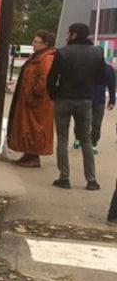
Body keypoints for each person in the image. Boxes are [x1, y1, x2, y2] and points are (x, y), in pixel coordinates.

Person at [46, 22, 106, 191]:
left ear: (73, 35)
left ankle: (64, 178)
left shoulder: (62, 52)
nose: (66, 36)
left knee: (63, 138)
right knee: (86, 139)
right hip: (85, 100)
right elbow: (101, 78)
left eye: (68, 33)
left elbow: (51, 79)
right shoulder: (97, 52)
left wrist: (54, 95)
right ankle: (91, 180)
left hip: (64, 99)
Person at [6, 30, 57, 168]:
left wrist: (34, 94)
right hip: (29, 99)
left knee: (34, 128)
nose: (33, 44)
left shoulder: (46, 58)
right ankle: (28, 154)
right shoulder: (38, 57)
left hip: (36, 101)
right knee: (26, 127)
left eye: (36, 42)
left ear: (45, 44)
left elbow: (44, 79)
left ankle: (33, 156)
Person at [73, 63, 115, 153]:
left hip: (84, 98)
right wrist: (112, 101)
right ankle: (92, 144)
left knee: (81, 120)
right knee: (96, 123)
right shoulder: (108, 69)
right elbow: (111, 86)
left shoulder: (85, 66)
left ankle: (79, 139)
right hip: (98, 100)